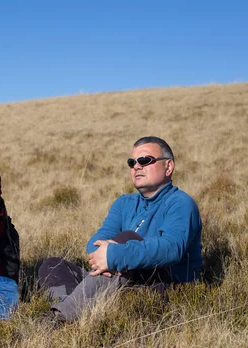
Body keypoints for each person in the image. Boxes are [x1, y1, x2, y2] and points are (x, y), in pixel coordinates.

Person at [38, 136, 203, 321]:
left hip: (166, 286)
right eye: (132, 163)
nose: (137, 167)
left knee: (126, 238)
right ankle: (73, 308)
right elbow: (95, 242)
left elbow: (171, 249)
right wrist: (107, 255)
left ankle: (62, 318)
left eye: (145, 160)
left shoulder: (181, 203)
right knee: (51, 265)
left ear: (169, 166)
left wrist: (117, 254)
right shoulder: (124, 203)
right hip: (120, 279)